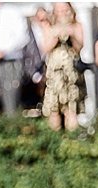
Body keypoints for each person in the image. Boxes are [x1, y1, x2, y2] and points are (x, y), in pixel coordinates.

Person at [40, 2, 84, 131]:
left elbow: (80, 47)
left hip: (71, 74)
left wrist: (72, 33)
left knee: (71, 108)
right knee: (53, 109)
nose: (63, 13)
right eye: (59, 10)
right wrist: (56, 34)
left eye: (65, 9)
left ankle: (72, 140)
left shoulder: (77, 26)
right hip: (55, 73)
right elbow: (45, 48)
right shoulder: (49, 27)